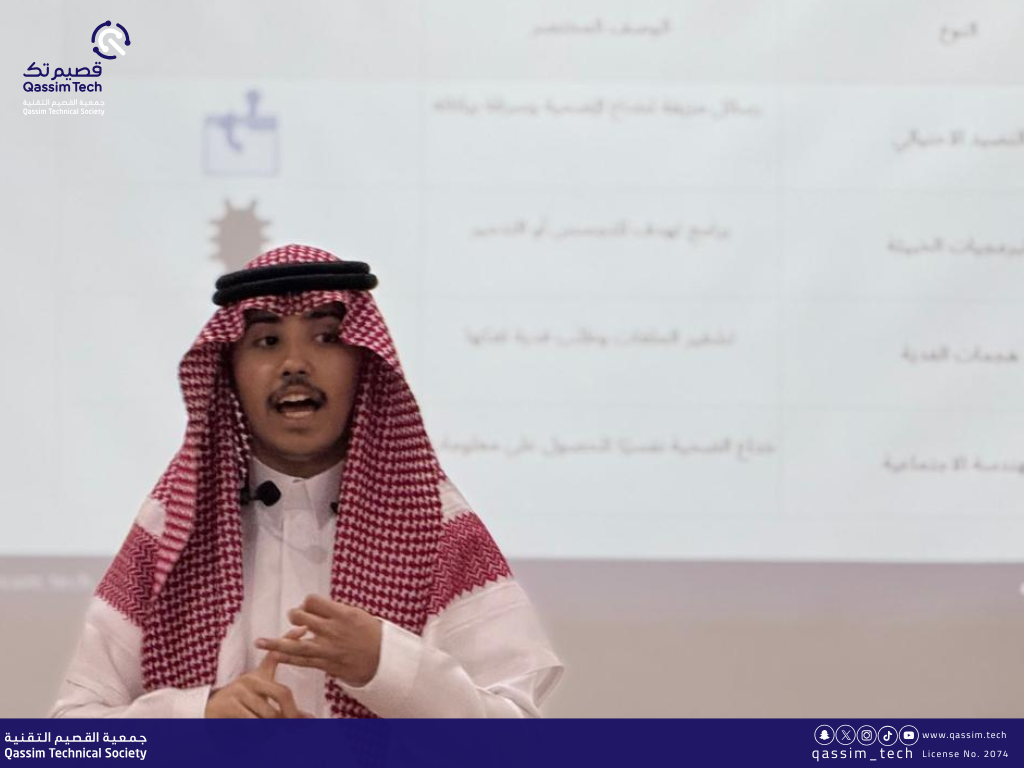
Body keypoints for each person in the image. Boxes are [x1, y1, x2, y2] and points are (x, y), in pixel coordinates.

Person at [50, 243, 563, 718]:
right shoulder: (171, 532)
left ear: (364, 362)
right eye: (267, 341)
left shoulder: (437, 530)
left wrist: (386, 664)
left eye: (326, 338)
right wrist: (197, 721)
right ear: (230, 370)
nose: (294, 364)